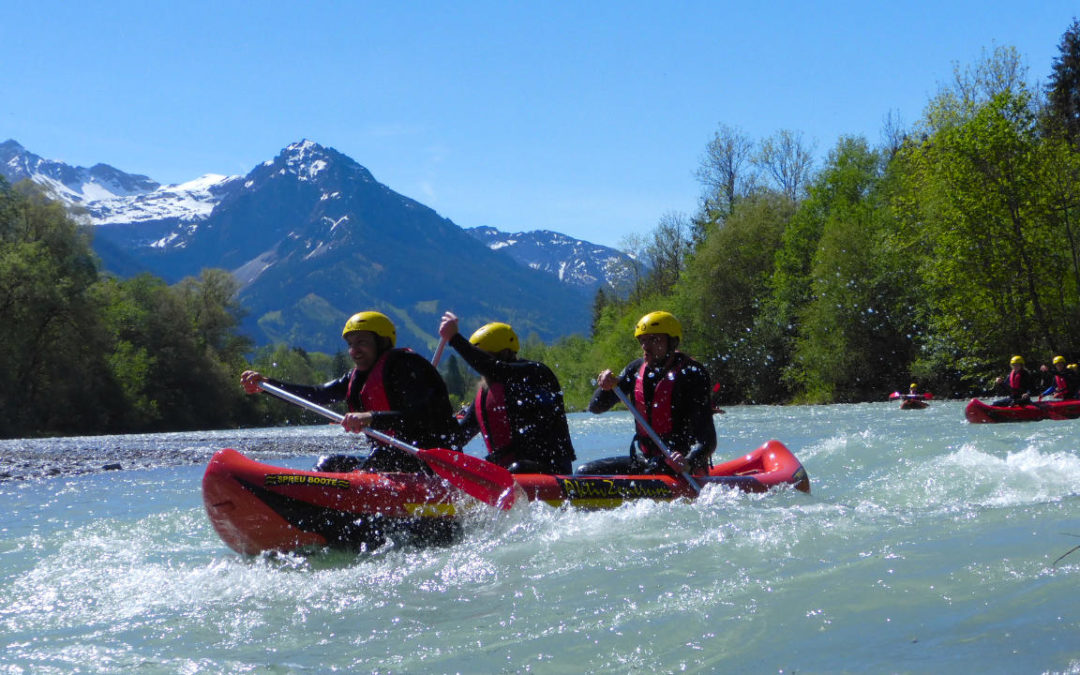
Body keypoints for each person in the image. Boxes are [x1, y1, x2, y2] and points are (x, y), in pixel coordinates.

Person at [240, 311, 459, 473]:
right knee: (329, 463)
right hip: (392, 457)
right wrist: (267, 385)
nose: (354, 350)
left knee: (375, 462)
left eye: (362, 342)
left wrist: (371, 417)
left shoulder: (407, 366)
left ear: (382, 342)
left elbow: (424, 416)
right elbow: (318, 395)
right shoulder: (357, 377)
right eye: (351, 344)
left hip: (431, 462)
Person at [577, 310, 716, 476]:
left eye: (654, 340)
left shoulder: (692, 374)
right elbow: (595, 407)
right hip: (646, 459)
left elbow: (707, 441)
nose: (645, 346)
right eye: (643, 340)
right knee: (583, 473)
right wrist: (605, 388)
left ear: (672, 342)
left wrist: (690, 461)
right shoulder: (635, 369)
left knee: (656, 467)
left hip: (681, 465)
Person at [438, 311, 576, 474]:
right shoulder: (484, 395)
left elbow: (494, 368)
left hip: (551, 469)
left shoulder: (534, 373)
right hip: (508, 473)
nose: (480, 367)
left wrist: (455, 339)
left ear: (505, 353)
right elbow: (458, 437)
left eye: (486, 356)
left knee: (517, 468)